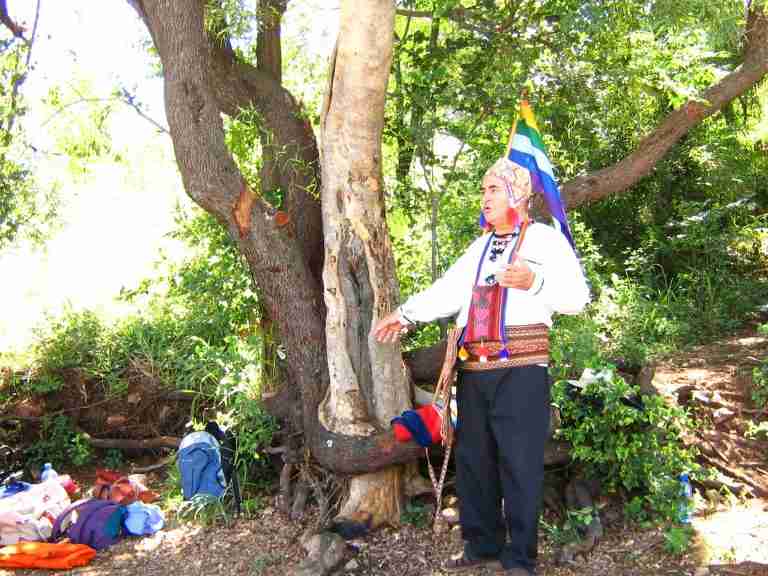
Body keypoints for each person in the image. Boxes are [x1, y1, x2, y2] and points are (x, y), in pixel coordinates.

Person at [373, 156, 589, 575]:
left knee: (520, 463)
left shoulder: (545, 241)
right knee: (474, 461)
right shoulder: (480, 246)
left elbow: (578, 298)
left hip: (521, 372)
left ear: (517, 195)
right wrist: (407, 314)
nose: (484, 197)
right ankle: (481, 545)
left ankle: (521, 558)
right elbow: (448, 290)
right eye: (483, 190)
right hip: (474, 372)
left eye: (492, 189)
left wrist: (534, 282)